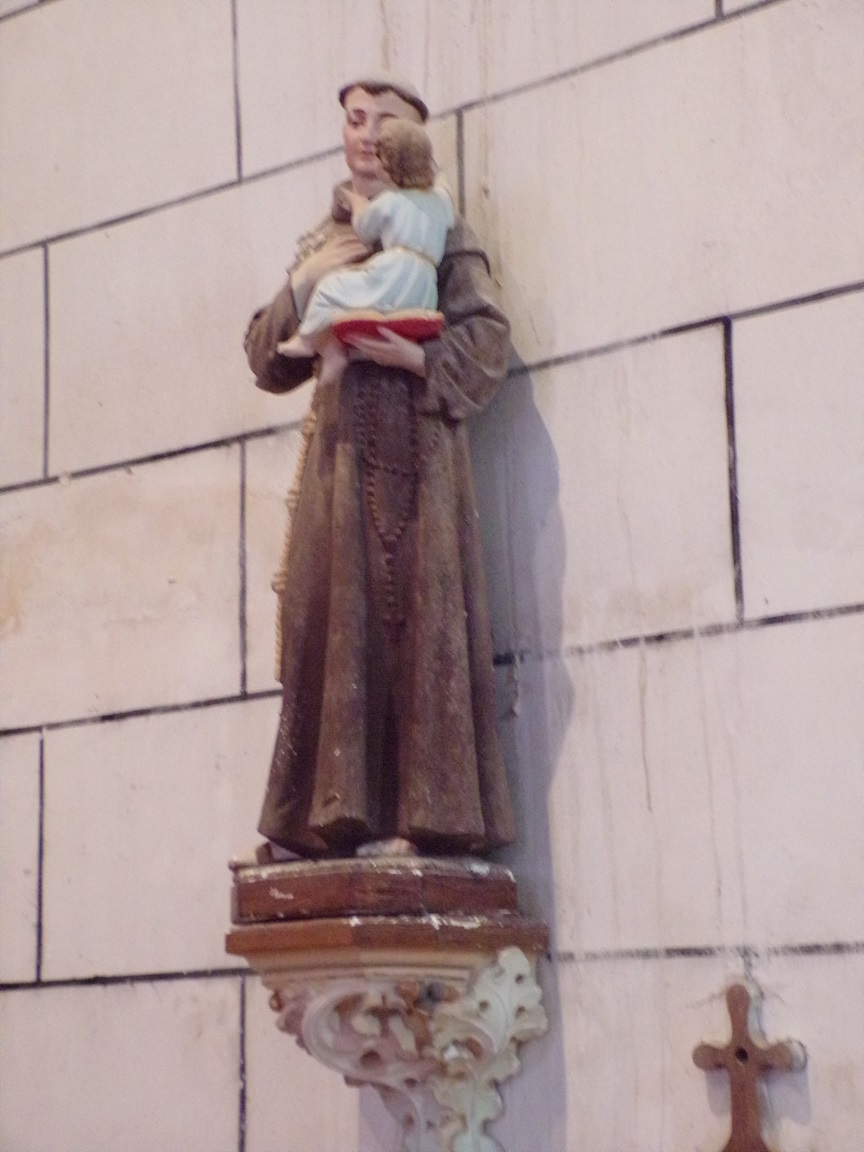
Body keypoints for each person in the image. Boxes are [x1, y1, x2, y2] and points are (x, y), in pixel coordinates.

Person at [244, 74, 515, 861]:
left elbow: (486, 341)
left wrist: (417, 358)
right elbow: (266, 357)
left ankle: (424, 822)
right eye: (356, 119)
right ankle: (318, 825)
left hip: (420, 459)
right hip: (339, 464)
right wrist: (308, 279)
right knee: (325, 628)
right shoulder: (324, 240)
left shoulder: (443, 228)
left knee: (420, 625)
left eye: (384, 121)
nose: (367, 133)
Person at [276, 117, 454, 390]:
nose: (367, 138)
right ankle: (335, 349)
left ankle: (309, 338)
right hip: (422, 289)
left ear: (390, 166)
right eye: (356, 121)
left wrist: (359, 206)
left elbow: (365, 228)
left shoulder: (390, 201)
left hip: (393, 275)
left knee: (331, 289)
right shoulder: (439, 203)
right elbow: (444, 189)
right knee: (353, 314)